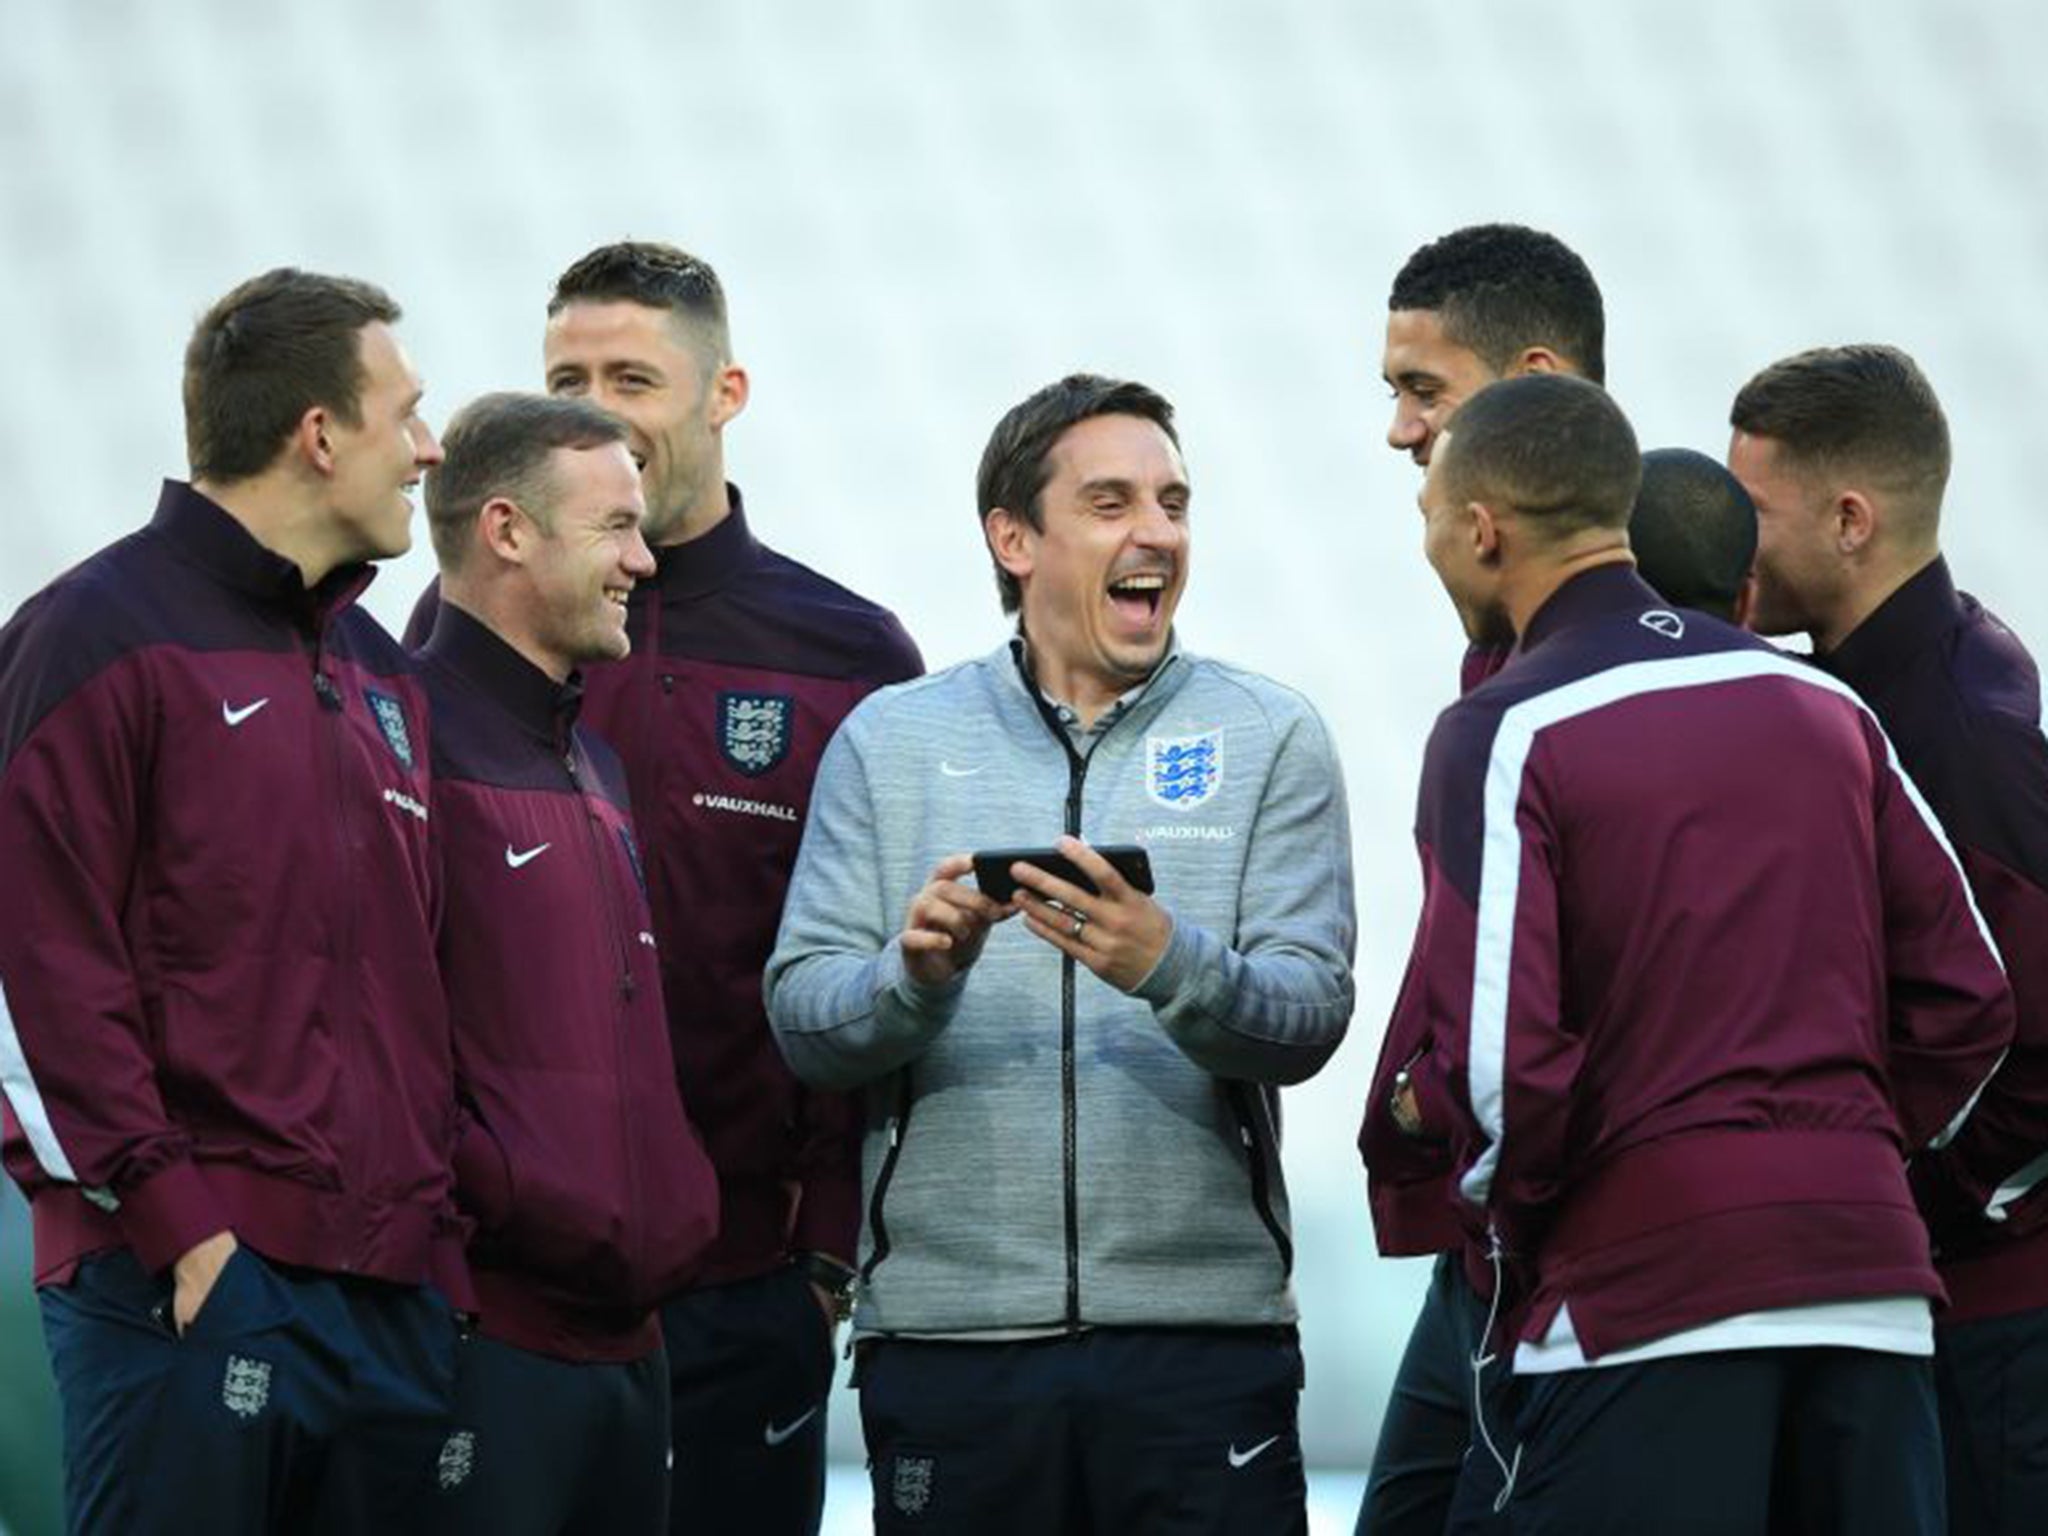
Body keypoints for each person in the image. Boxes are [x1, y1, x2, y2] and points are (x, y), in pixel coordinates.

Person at [1388, 372, 2012, 1534]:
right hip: (1867, 1293)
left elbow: (1499, 1073)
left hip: (1647, 1296)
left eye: (1427, 517)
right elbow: (1969, 1000)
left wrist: (1518, 1225)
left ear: (1478, 529)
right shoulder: (1822, 704)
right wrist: (1850, 1151)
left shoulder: (1503, 725)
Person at [766, 372, 1356, 1535]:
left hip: (1203, 1347)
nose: (1157, 534)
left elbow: (1311, 1015)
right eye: (1110, 502)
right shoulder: (891, 740)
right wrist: (913, 979)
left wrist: (1166, 963)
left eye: (1173, 502)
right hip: (949, 1344)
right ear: (1013, 538)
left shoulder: (1268, 734)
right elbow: (803, 1016)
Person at [407, 240, 922, 1536]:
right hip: (520, 1284)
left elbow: (890, 957)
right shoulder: (460, 642)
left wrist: (826, 1246)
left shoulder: (850, 655)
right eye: (565, 374)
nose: (595, 403)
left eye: (631, 373)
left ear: (724, 393)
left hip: (754, 1276)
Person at [0, 269, 463, 1534]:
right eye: (406, 414)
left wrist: (437, 1262)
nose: (430, 450)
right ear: (320, 434)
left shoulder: (386, 677)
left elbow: (413, 991)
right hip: (184, 1286)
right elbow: (30, 975)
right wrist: (185, 1232)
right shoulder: (90, 634)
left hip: (386, 1301)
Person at [1729, 344, 2048, 1534]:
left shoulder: (1952, 731)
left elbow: (2034, 1035)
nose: (1729, 537)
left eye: (1751, 509)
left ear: (1849, 518)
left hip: (1990, 1313)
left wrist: (1911, 1201)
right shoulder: (1881, 683)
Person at [413, 393, 722, 1533]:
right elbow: (381, 1039)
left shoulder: (593, 757)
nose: (643, 559)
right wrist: (507, 1193)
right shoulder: (400, 741)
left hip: (629, 1343)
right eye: (614, 529)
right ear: (506, 530)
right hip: (486, 1338)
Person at [1360, 222, 1606, 1535]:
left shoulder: (1648, 647)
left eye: (1423, 389)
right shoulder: (1500, 653)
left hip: (1587, 1257)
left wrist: (1445, 1098)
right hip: (1492, 1249)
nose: (1400, 429)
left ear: (1531, 377)